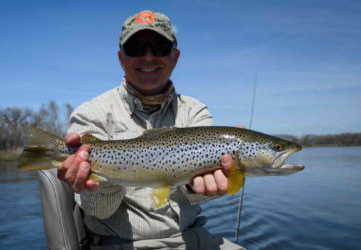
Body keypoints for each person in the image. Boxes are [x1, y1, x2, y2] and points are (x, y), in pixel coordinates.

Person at [57, 10, 245, 250]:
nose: (148, 57)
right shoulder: (91, 114)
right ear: (121, 58)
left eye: (160, 47)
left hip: (194, 238)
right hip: (120, 244)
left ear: (175, 57)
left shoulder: (195, 111)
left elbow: (203, 187)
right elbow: (98, 211)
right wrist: (102, 177)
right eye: (136, 47)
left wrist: (199, 187)